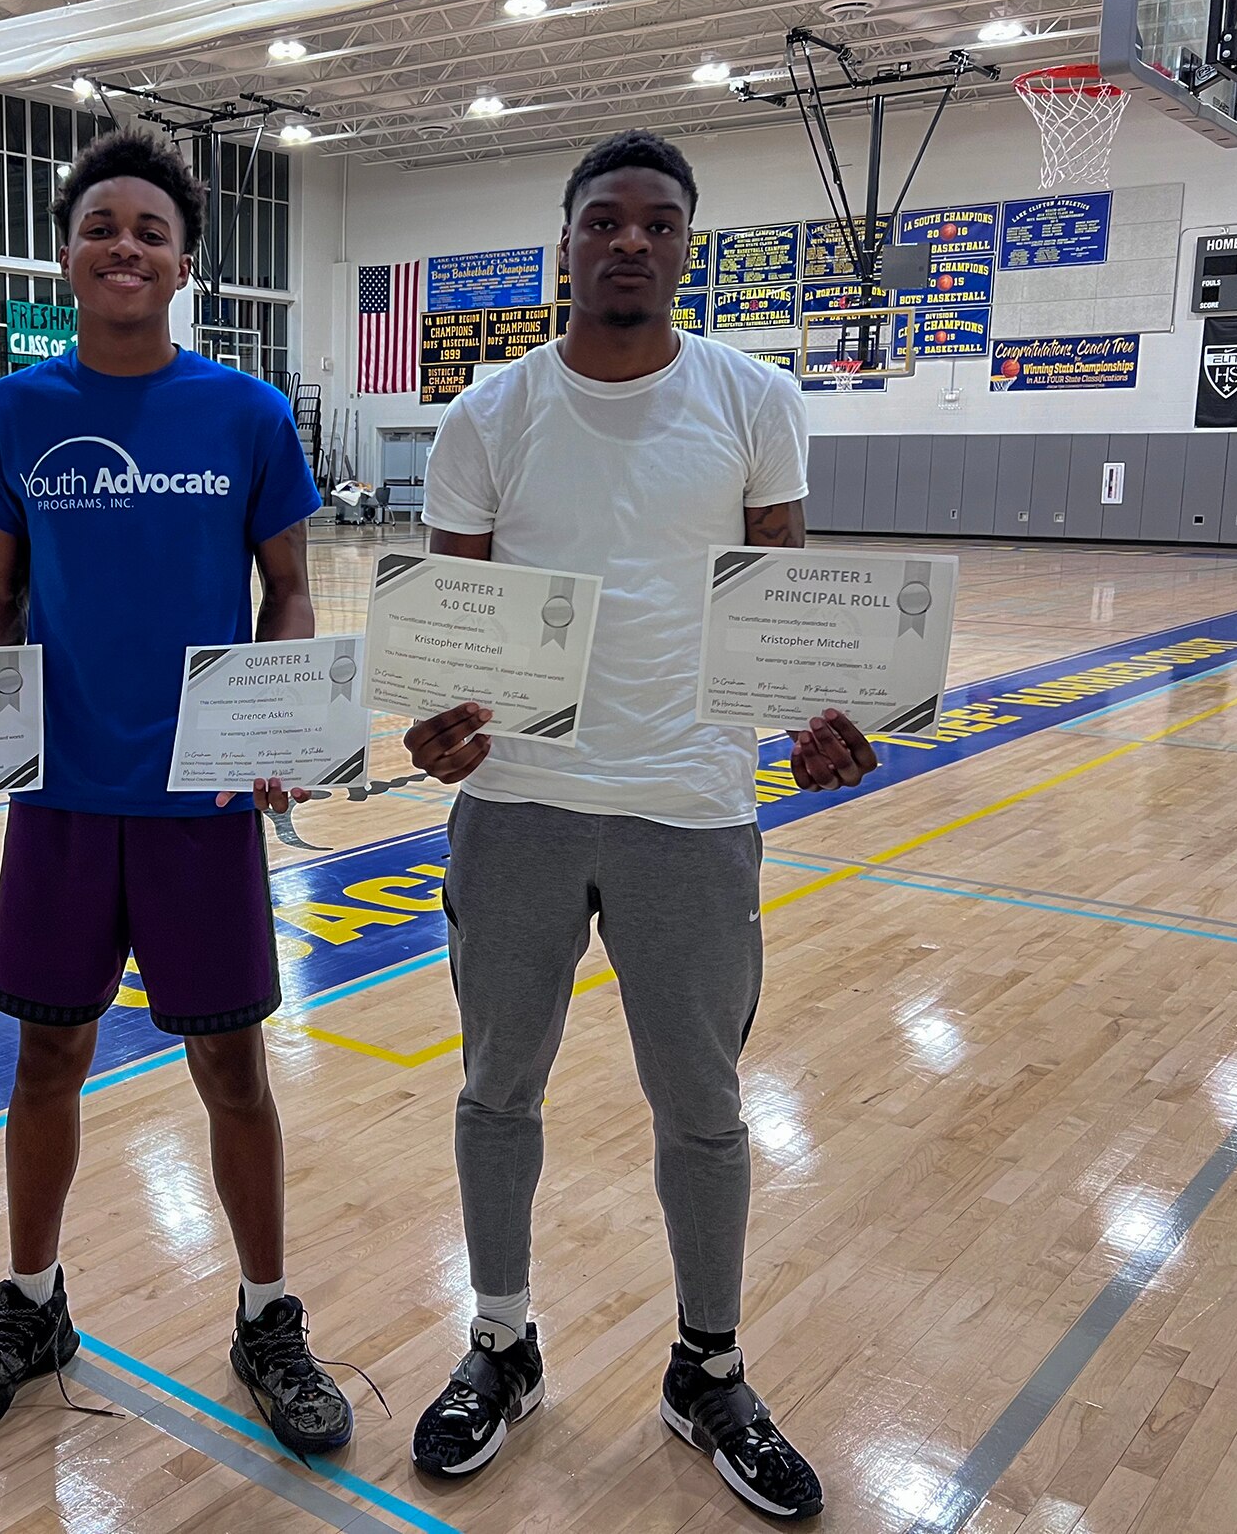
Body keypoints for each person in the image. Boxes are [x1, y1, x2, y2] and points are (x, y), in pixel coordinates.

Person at [404, 130, 880, 1521]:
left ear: (686, 246)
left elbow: (776, 607)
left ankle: (707, 1370)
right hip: (520, 812)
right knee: (498, 1091)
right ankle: (502, 1340)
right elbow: (454, 636)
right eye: (603, 220)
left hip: (690, 807)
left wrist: (817, 722)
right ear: (565, 244)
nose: (629, 241)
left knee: (705, 1111)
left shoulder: (754, 400)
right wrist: (440, 727)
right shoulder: (485, 416)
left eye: (657, 223)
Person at [0, 128, 354, 1459]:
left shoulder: (247, 415)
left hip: (201, 809)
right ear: (66, 252)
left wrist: (279, 721)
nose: (125, 246)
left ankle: (268, 1315)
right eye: (102, 224)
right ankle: (33, 1306)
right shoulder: (9, 418)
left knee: (234, 1068)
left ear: (183, 263)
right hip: (61, 803)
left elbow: (288, 591)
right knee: (47, 1056)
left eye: (151, 231)